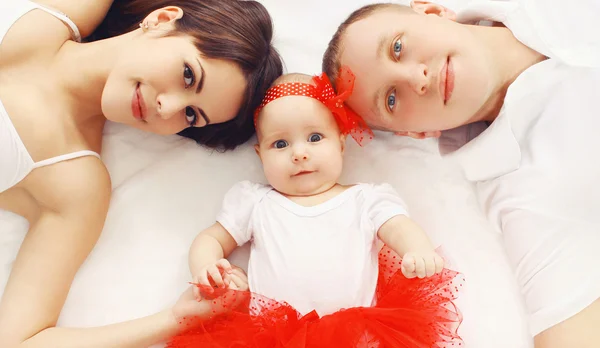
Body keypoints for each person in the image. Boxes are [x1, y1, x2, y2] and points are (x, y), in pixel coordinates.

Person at [0, 0, 282, 346]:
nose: (169, 108)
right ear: (162, 19)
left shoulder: (74, 183)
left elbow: (19, 341)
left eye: (191, 116)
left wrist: (175, 320)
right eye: (188, 75)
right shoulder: (67, 12)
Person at [322, 1, 600, 347]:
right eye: (392, 99)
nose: (416, 78)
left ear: (432, 11)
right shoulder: (521, 192)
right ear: (415, 133)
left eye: (397, 47)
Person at [169, 71, 464, 347]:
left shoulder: (365, 199)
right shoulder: (256, 203)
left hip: (359, 333)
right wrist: (206, 267)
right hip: (272, 336)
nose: (299, 154)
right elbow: (211, 238)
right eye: (280, 144)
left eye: (314, 138)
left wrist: (418, 249)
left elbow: (398, 226)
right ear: (260, 155)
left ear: (341, 143)